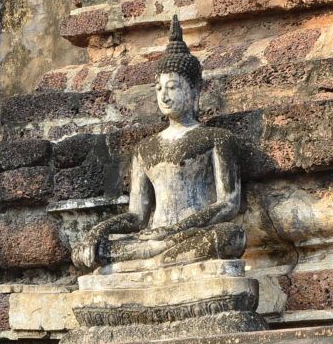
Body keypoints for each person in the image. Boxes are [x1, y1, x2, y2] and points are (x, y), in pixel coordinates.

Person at [72, 16, 243, 272]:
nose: (164, 95)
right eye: (158, 87)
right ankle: (153, 260)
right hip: (152, 238)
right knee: (83, 252)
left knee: (230, 236)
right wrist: (97, 231)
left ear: (195, 90)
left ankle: (144, 264)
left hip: (188, 235)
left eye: (172, 87)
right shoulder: (145, 148)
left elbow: (228, 203)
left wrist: (174, 230)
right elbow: (137, 216)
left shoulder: (216, 138)